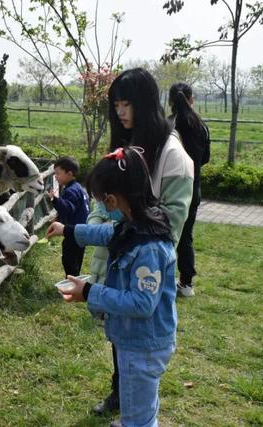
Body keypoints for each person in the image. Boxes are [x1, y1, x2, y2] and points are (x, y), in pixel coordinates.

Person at [46, 146, 177, 427]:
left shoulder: (148, 247)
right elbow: (106, 232)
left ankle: (135, 421)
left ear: (113, 201)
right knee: (141, 399)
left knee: (138, 409)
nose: (102, 209)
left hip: (142, 345)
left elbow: (142, 304)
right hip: (139, 340)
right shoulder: (137, 223)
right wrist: (68, 230)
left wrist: (90, 292)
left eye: (101, 202)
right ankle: (136, 417)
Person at [91, 68, 194, 417]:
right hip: (117, 258)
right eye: (116, 105)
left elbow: (171, 222)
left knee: (138, 339)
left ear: (145, 104)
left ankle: (132, 406)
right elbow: (102, 200)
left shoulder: (172, 155)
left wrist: (118, 227)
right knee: (121, 337)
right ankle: (122, 394)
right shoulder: (125, 144)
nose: (120, 112)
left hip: (143, 264)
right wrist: (97, 223)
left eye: (127, 104)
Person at [168, 82, 211, 297]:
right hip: (193, 188)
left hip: (167, 188)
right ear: (191, 99)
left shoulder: (167, 125)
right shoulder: (200, 126)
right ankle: (186, 284)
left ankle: (160, 279)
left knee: (163, 234)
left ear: (170, 101)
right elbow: (205, 158)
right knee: (186, 236)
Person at [46, 156, 90, 276]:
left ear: (69, 173)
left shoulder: (71, 191)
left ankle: (72, 284)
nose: (55, 176)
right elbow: (75, 209)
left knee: (69, 260)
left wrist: (53, 199)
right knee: (77, 260)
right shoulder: (80, 189)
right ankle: (76, 282)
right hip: (83, 231)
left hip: (74, 232)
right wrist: (59, 218)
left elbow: (68, 208)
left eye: (58, 173)